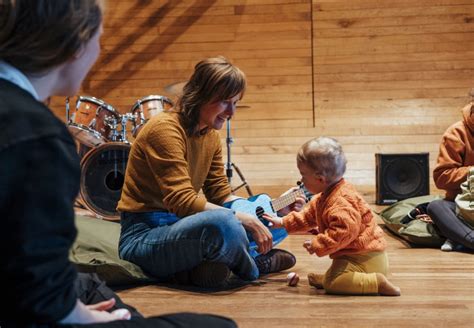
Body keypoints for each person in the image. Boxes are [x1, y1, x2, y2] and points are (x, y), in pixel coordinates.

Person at [0, 1, 236, 326]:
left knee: (99, 292)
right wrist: (77, 315)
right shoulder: (37, 135)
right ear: (74, 46)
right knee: (217, 325)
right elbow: (37, 290)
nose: (98, 50)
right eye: (99, 39)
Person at [117, 56, 299, 288]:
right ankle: (253, 266)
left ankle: (210, 263)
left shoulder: (210, 136)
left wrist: (276, 208)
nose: (231, 112)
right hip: (145, 236)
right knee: (224, 222)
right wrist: (243, 221)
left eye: (235, 102)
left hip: (185, 228)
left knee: (273, 223)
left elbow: (221, 195)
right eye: (225, 102)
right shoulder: (164, 129)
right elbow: (182, 201)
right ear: (200, 95)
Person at [263, 137, 401, 296]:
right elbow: (308, 217)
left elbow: (343, 231)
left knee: (333, 284)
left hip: (365, 260)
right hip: (353, 256)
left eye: (303, 175)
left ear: (320, 179)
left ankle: (376, 282)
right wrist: (282, 222)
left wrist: (318, 244)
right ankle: (332, 277)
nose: (301, 181)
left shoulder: (340, 202)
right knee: (333, 276)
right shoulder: (325, 196)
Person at [427, 92, 474, 251]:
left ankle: (457, 237)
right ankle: (469, 238)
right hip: (462, 205)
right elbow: (441, 177)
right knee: (436, 207)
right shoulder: (456, 132)